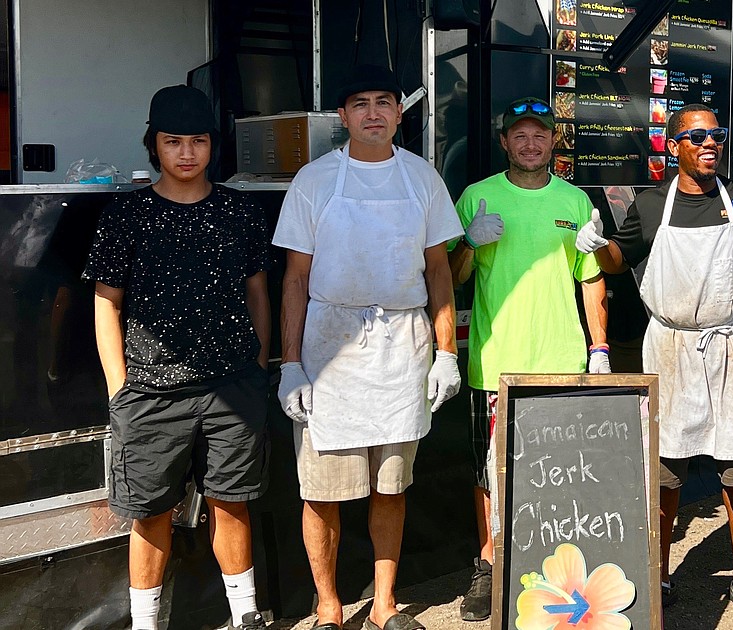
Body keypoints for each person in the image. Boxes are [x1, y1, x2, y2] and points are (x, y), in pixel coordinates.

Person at [575, 103, 733, 624]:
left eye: (716, 135)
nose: (709, 144)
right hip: (671, 349)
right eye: (696, 137)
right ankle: (660, 573)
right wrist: (596, 244)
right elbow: (617, 260)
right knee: (668, 471)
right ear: (673, 147)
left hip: (732, 345)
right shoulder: (652, 205)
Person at [272, 64, 463, 630]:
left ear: (399, 113)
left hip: (403, 347)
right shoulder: (314, 180)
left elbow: (438, 272)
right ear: (343, 116)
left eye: (384, 102)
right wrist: (290, 365)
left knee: (391, 486)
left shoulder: (422, 177)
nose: (374, 113)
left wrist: (446, 352)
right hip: (330, 352)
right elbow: (295, 280)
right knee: (322, 492)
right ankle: (328, 606)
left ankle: (384, 604)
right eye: (361, 104)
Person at [86, 85, 271, 630]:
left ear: (213, 145)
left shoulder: (240, 210)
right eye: (173, 142)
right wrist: (119, 388)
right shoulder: (127, 214)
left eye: (197, 141)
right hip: (148, 393)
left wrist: (258, 367)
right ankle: (146, 623)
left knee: (232, 504)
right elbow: (105, 303)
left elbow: (257, 290)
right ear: (154, 146)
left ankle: (245, 616)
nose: (186, 153)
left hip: (232, 388)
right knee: (149, 516)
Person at [448, 96, 609, 622]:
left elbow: (592, 280)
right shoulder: (477, 196)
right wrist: (469, 243)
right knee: (487, 473)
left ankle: (553, 568)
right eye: (520, 134)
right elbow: (452, 278)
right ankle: (489, 564)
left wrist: (600, 349)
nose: (530, 142)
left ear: (553, 140)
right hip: (496, 362)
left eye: (540, 134)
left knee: (561, 472)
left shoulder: (577, 201)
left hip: (563, 363)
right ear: (504, 142)